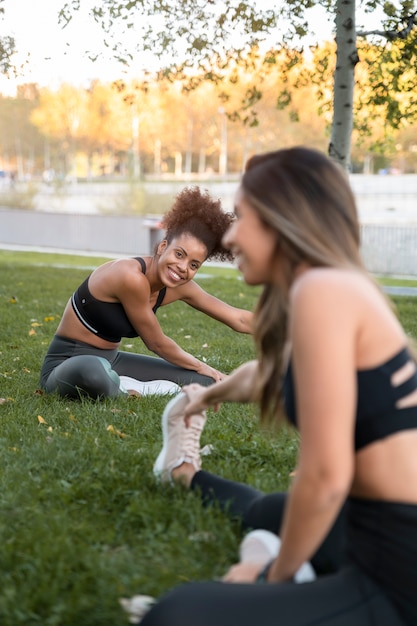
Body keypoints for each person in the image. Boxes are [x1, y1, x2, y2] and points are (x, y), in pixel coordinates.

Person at [139, 146, 417, 626]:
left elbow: (324, 479)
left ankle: (280, 566)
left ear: (282, 219)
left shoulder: (323, 292)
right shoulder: (331, 285)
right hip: (365, 520)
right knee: (266, 510)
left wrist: (274, 578)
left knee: (172, 616)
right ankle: (182, 472)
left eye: (244, 216)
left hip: (397, 572)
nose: (231, 234)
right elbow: (272, 372)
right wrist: (205, 396)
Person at [40, 186, 253, 400]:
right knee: (93, 374)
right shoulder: (130, 276)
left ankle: (121, 383)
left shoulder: (179, 286)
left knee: (205, 381)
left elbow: (239, 319)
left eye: (194, 264)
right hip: (68, 364)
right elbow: (156, 343)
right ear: (162, 246)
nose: (183, 267)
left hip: (112, 361)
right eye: (179, 254)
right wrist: (201, 364)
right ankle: (125, 391)